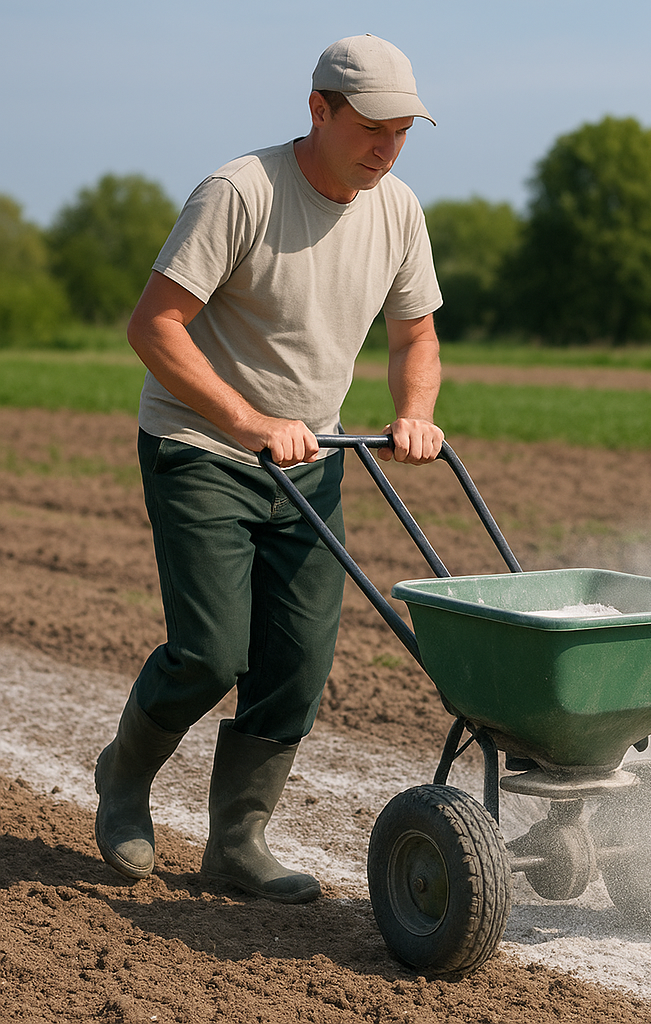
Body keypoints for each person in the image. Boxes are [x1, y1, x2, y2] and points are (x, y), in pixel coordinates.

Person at [94, 34, 444, 904]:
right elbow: (154, 327)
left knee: (296, 662)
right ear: (318, 109)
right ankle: (124, 775)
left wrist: (416, 413)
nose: (388, 149)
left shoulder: (397, 209)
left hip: (310, 459)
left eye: (403, 132)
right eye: (372, 128)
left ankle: (237, 842)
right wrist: (249, 421)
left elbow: (416, 335)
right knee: (211, 652)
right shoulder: (240, 191)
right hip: (203, 447)